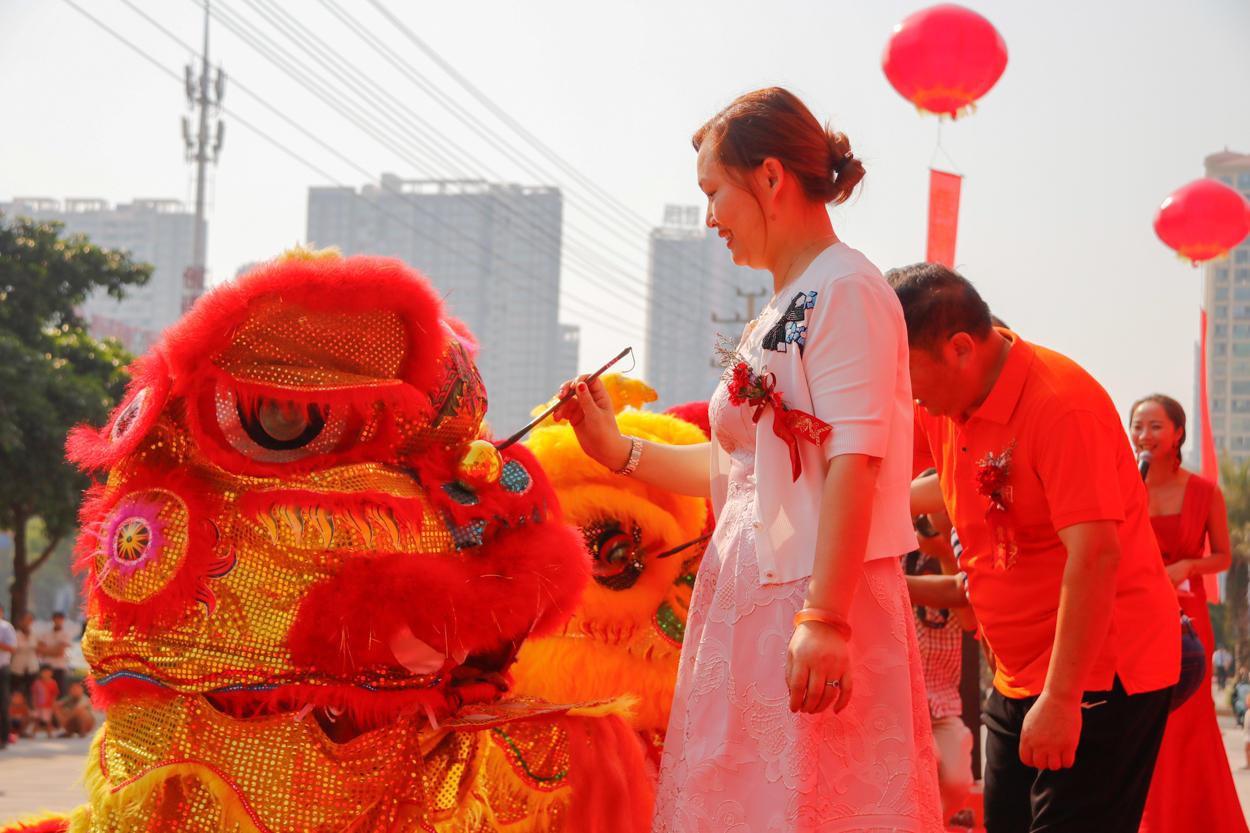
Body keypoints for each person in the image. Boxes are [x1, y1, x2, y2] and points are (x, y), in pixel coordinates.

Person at [554, 87, 942, 832]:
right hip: (756, 601)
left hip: (809, 600)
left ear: (769, 178)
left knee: (816, 801)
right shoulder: (779, 305)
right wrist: (616, 452)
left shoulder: (847, 289)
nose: (709, 218)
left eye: (713, 192)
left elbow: (855, 459)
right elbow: (736, 471)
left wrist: (826, 617)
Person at [890, 263, 1180, 833]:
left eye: (906, 373)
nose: (906, 395)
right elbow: (942, 482)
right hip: (1017, 674)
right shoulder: (952, 404)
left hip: (1098, 675)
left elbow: (1095, 554)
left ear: (959, 348)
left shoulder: (1061, 404)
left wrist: (1064, 699)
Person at [1129, 394, 1248, 833]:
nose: (1145, 435)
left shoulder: (1203, 491)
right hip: (1134, 613)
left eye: (1156, 426)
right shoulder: (1124, 483)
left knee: (1185, 723)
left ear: (1178, 432)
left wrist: (1186, 566)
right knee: (1142, 719)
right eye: (1138, 426)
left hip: (1187, 618)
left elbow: (1221, 557)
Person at [904, 500, 976, 825]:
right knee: (923, 764)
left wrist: (946, 550)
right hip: (900, 697)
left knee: (958, 780)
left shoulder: (963, 554)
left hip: (942, 698)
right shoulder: (896, 551)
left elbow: (969, 619)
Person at [37, 611, 72, 695]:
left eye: (60, 619)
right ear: (53, 619)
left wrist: (47, 650)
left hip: (59, 667)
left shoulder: (65, 634)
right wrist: (55, 649)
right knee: (45, 693)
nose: (58, 621)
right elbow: (39, 650)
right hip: (46, 668)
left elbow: (60, 652)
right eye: (56, 619)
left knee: (59, 693)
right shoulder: (45, 633)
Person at [11, 612, 38, 702]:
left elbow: (41, 648)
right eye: (25, 620)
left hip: (32, 668)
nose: (27, 622)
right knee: (15, 694)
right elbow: (14, 648)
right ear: (20, 621)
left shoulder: (35, 634)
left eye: (29, 620)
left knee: (31, 694)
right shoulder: (14, 634)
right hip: (17, 668)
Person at [29, 665, 58, 738]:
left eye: (48, 672)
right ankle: (33, 734)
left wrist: (53, 703)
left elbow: (54, 694)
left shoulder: (53, 683)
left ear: (51, 673)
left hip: (48, 705)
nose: (46, 674)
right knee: (37, 720)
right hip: (38, 705)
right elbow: (34, 694)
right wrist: (34, 703)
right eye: (44, 672)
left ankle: (49, 734)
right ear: (40, 673)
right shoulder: (37, 683)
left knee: (48, 721)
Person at [0, 603, 14, 749]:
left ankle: (4, 737)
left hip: (2, 669)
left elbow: (11, 647)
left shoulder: (5, 627)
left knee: (3, 704)